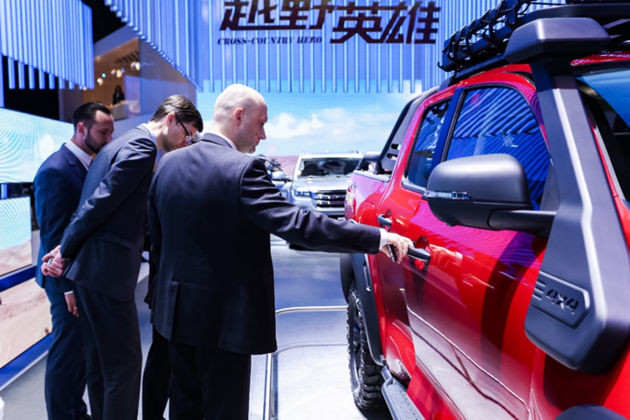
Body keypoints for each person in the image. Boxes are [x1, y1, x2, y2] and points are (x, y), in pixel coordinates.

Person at [147, 84, 413, 420]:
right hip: (223, 324)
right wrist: (375, 237)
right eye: (261, 123)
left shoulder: (168, 165)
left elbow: (156, 239)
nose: (263, 134)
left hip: (173, 316)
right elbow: (300, 225)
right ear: (238, 116)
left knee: (185, 408)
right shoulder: (242, 170)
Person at [44, 95, 203, 420]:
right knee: (124, 369)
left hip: (89, 272)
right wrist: (65, 249)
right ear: (171, 119)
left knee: (101, 367)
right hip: (106, 272)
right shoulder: (142, 147)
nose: (186, 142)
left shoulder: (123, 142)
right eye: (188, 133)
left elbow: (95, 204)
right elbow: (100, 203)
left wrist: (67, 249)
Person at [34, 102, 114, 420]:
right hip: (63, 281)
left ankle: (76, 413)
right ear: (81, 128)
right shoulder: (55, 170)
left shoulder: (86, 164)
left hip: (80, 277)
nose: (109, 138)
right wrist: (67, 288)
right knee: (66, 354)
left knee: (80, 352)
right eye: (103, 131)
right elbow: (53, 236)